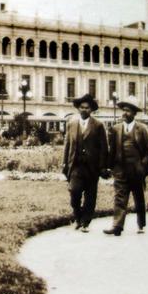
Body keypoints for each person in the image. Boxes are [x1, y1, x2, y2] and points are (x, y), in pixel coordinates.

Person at [104, 96, 148, 236]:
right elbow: (112, 150)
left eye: (128, 111)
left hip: (137, 171)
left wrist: (142, 166)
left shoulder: (142, 129)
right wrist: (109, 167)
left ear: (134, 113)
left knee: (139, 197)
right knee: (120, 198)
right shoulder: (115, 129)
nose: (125, 113)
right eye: (124, 110)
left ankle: (141, 224)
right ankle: (117, 226)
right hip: (120, 170)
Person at [62, 93, 109, 232]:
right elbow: (67, 144)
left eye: (87, 108)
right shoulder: (71, 123)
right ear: (78, 108)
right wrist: (64, 163)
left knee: (90, 196)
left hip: (92, 167)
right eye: (82, 107)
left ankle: (85, 222)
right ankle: (78, 215)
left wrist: (102, 166)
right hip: (76, 165)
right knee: (74, 192)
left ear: (91, 110)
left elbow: (103, 148)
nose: (84, 110)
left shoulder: (98, 125)